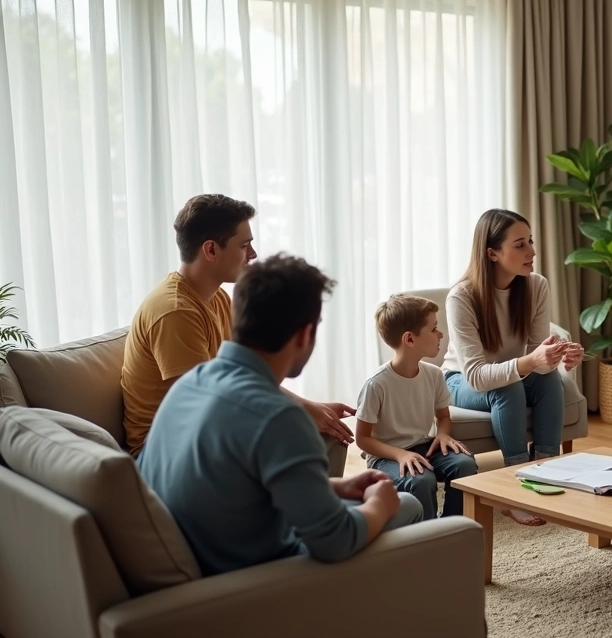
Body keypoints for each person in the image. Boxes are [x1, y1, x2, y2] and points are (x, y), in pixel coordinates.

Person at [137, 254, 424, 576]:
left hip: (209, 550)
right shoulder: (280, 419)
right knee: (406, 504)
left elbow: (233, 488)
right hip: (254, 579)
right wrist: (380, 505)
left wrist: (332, 487)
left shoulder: (192, 381)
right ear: (303, 335)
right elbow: (335, 540)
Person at [120, 194, 354, 477]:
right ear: (210, 250)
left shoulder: (216, 298)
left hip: (206, 428)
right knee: (300, 438)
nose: (253, 254)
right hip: (165, 450)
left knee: (327, 436)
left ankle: (311, 512)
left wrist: (307, 407)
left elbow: (239, 377)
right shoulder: (175, 311)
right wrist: (293, 413)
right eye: (244, 245)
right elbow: (203, 404)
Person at [443, 208, 583, 526]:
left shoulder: (535, 286)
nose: (532, 251)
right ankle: (513, 487)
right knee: (507, 385)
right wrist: (533, 361)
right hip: (459, 381)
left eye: (530, 241)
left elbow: (538, 358)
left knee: (551, 382)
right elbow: (477, 376)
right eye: (520, 244)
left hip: (510, 376)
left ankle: (546, 474)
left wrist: (557, 357)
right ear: (492, 253)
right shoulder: (461, 297)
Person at [355, 294, 478, 520]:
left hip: (423, 447)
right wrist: (400, 454)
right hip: (386, 457)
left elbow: (443, 416)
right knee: (421, 480)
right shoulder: (376, 384)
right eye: (434, 329)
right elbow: (363, 439)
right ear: (410, 339)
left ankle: (453, 525)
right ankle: (426, 534)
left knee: (464, 464)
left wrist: (442, 435)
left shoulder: (433, 375)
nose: (441, 334)